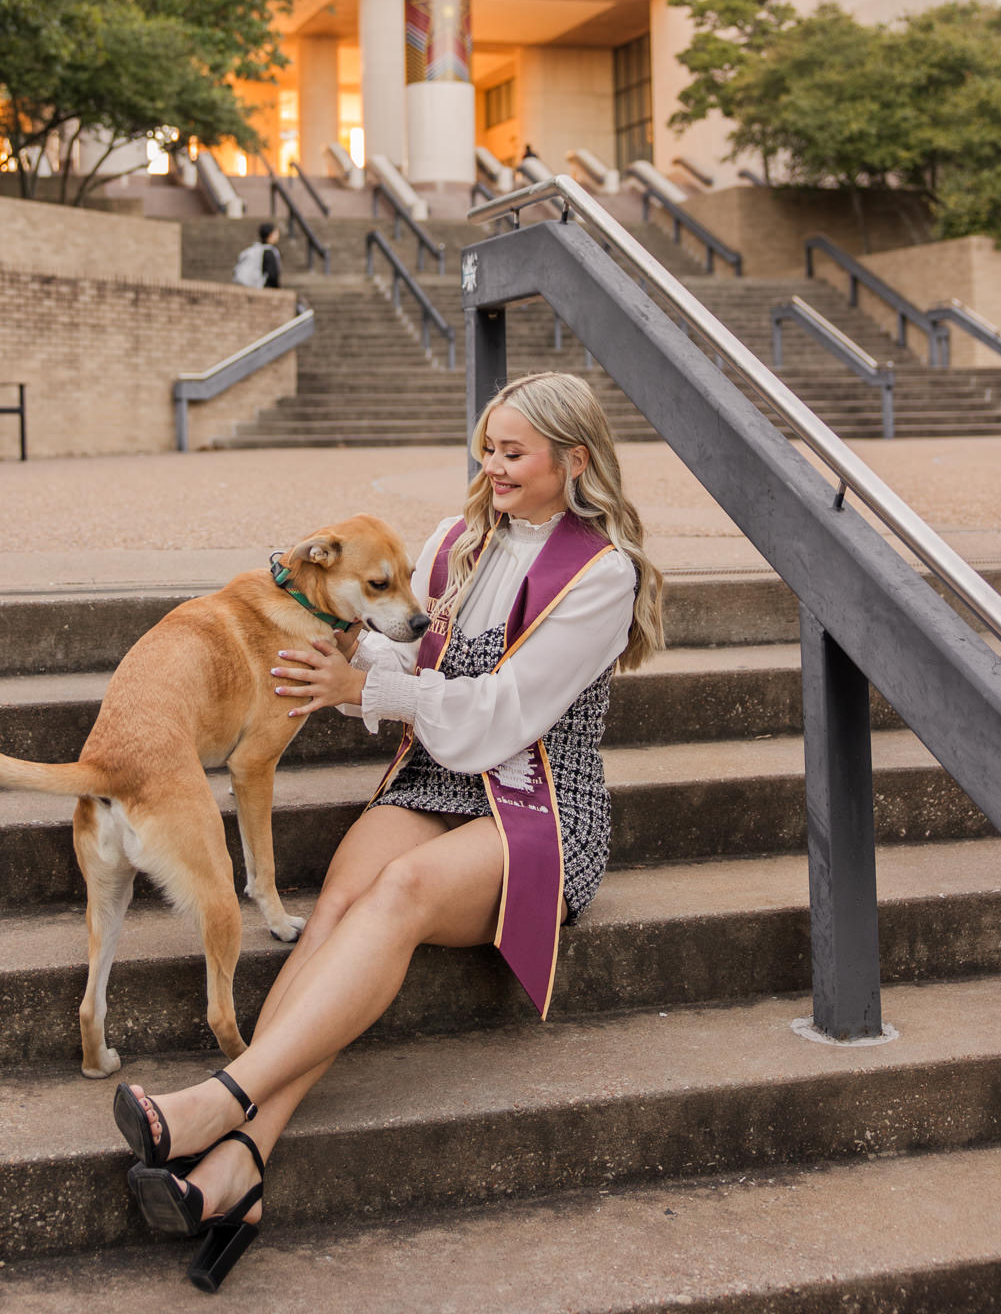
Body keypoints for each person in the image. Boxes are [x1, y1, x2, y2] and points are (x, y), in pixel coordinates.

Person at [111, 370, 664, 1292]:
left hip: (540, 803)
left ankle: (224, 1101)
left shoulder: (604, 573)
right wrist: (333, 634)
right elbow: (408, 646)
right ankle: (243, 1165)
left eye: (513, 452)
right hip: (437, 777)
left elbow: (503, 714)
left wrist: (367, 688)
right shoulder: (455, 540)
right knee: (337, 898)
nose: (491, 466)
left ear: (575, 459)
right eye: (487, 447)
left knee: (398, 893)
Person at [232, 222, 282, 290]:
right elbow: (272, 275)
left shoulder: (256, 248)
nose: (278, 235)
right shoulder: (269, 251)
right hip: (262, 288)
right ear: (270, 235)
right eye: (276, 233)